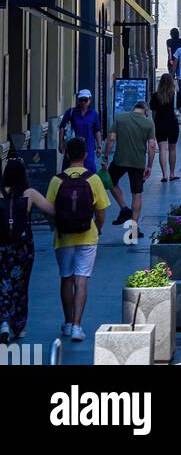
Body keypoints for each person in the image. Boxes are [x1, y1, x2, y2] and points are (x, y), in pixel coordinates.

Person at [46, 136, 109, 341]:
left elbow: (49, 210)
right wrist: (98, 228)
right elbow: (100, 211)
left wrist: (57, 226)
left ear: (66, 154)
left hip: (63, 237)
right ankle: (77, 326)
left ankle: (66, 322)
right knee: (82, 279)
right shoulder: (93, 179)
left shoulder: (56, 180)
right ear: (85, 155)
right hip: (87, 235)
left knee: (66, 278)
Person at [0, 158, 54, 343]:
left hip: (2, 247)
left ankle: (3, 321)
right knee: (21, 285)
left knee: (3, 283)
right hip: (23, 248)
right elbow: (51, 210)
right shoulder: (29, 193)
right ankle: (19, 325)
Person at [101, 101, 156, 236]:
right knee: (136, 195)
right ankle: (134, 230)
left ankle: (124, 208)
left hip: (119, 160)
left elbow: (111, 139)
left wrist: (105, 157)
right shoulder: (148, 123)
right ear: (146, 111)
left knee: (109, 181)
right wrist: (149, 165)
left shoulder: (120, 118)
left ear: (134, 109)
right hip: (138, 163)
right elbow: (152, 146)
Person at [58, 89, 102, 172]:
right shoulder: (71, 112)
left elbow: (97, 131)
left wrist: (99, 146)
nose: (83, 103)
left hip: (88, 147)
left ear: (90, 100)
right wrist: (61, 143)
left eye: (85, 100)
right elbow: (62, 127)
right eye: (81, 100)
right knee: (70, 168)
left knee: (88, 169)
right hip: (72, 146)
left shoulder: (93, 114)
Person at [149, 75, 180, 182]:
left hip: (160, 124)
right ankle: (172, 173)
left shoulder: (156, 96)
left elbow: (153, 112)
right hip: (173, 123)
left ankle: (164, 175)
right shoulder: (176, 95)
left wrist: (155, 122)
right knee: (172, 149)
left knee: (162, 149)